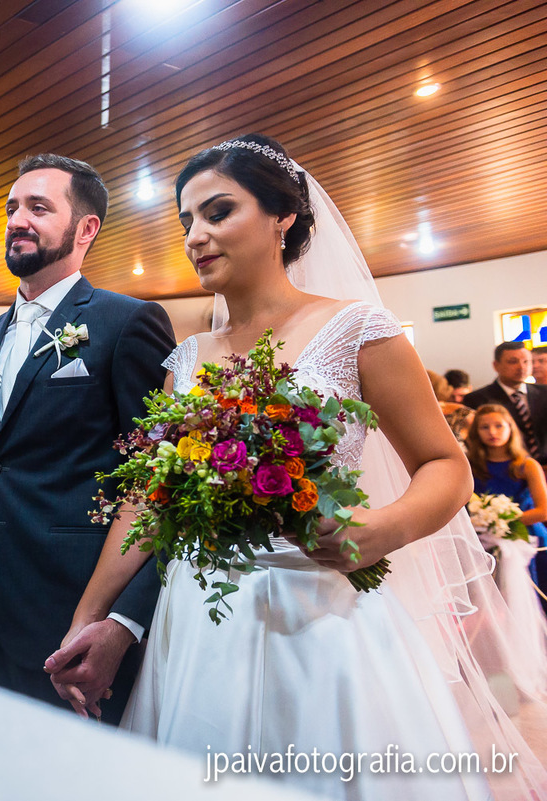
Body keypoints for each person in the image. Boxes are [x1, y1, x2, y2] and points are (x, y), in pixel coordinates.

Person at [47, 135, 545, 799]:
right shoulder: (187, 358)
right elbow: (148, 498)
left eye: (218, 212)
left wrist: (383, 527)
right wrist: (90, 617)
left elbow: (444, 465)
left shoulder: (360, 330)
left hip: (320, 616)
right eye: (186, 221)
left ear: (283, 216)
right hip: (198, 622)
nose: (196, 235)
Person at [0, 154, 175, 724]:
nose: (18, 219)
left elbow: (162, 491)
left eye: (39, 207)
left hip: (76, 627)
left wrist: (124, 624)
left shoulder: (125, 323)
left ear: (86, 228)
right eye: (12, 207)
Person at [467, 403, 547, 627]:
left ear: (510, 428)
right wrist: (488, 524)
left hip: (529, 539)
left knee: (537, 599)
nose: (492, 432)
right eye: (485, 427)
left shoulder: (526, 465)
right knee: (494, 603)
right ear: (476, 432)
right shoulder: (471, 466)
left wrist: (500, 520)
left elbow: (543, 510)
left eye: (499, 426)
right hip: (485, 540)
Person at [463, 343, 547, 465]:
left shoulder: (544, 392)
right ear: (496, 366)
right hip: (507, 467)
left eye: (526, 362)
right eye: (513, 362)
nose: (521, 367)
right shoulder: (477, 399)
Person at [430, 369, 473, 447]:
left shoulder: (475, 409)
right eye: (452, 396)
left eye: (462, 395)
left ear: (470, 389)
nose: (457, 400)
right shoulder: (437, 411)